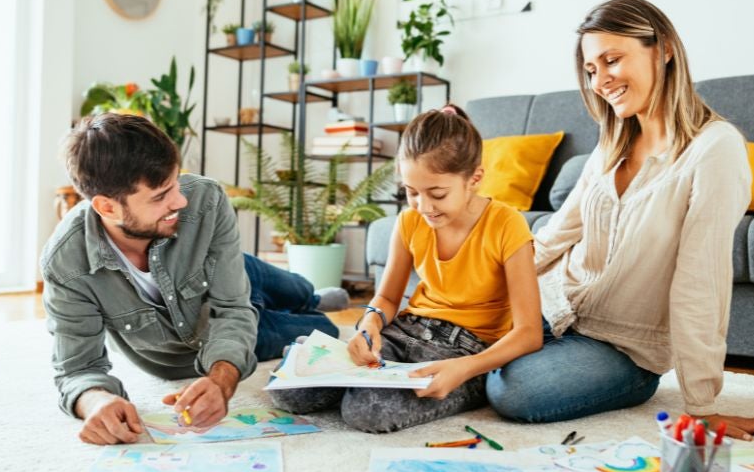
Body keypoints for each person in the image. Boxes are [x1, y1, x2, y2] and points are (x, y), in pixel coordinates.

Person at [485, 0, 754, 442]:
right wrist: (481, 283)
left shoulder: (714, 149)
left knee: (518, 390)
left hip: (622, 349)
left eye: (612, 60)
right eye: (591, 70)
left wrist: (702, 406)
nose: (600, 81)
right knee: (435, 330)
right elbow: (555, 236)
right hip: (552, 304)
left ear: (664, 48)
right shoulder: (611, 145)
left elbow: (700, 280)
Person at [40, 113, 346, 445]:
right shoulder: (65, 264)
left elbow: (233, 306)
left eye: (176, 182)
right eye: (160, 196)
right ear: (108, 208)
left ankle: (312, 295)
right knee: (325, 331)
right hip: (202, 340)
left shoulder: (205, 201)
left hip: (228, 279)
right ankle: (313, 306)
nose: (180, 201)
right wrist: (98, 401)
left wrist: (222, 382)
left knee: (296, 287)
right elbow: (77, 369)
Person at [270, 105, 544, 433]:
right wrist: (369, 323)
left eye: (437, 194)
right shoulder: (409, 221)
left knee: (366, 411)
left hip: (465, 351)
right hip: (406, 330)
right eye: (411, 193)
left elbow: (529, 333)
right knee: (290, 391)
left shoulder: (507, 225)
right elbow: (386, 297)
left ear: (474, 178)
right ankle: (342, 372)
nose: (424, 207)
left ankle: (366, 384)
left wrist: (465, 368)